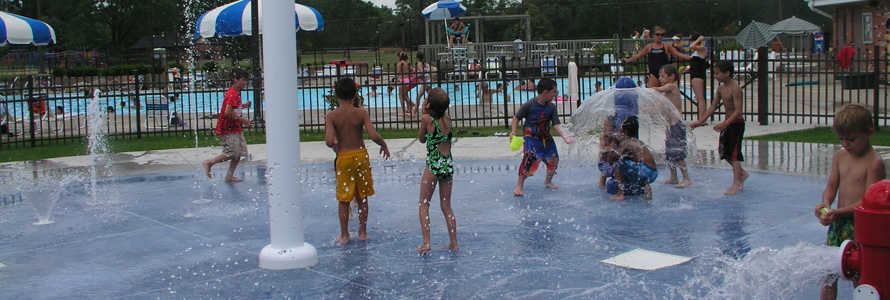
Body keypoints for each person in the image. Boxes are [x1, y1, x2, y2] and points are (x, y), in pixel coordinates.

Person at [815, 103, 885, 300]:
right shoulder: (840, 157)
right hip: (837, 225)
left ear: (869, 133)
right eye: (841, 139)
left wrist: (837, 212)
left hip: (860, 227)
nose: (846, 144)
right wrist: (826, 205)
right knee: (828, 274)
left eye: (851, 139)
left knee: (859, 276)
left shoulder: (874, 162)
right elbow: (830, 188)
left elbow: (868, 203)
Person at [325, 77, 391, 245]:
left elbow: (328, 141)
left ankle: (344, 235)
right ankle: (362, 232)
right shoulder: (361, 113)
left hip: (344, 157)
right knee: (362, 196)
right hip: (361, 156)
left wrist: (335, 146)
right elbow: (373, 135)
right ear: (355, 95)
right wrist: (383, 144)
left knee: (344, 198)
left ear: (335, 95)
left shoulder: (331, 116)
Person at [690, 61, 749, 195]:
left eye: (717, 73)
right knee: (724, 152)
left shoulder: (735, 89)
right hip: (727, 123)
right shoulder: (721, 89)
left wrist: (726, 124)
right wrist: (700, 121)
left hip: (736, 124)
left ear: (727, 73)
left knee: (734, 154)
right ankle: (742, 173)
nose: (715, 75)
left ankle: (737, 183)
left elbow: (738, 110)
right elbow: (713, 107)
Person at [510, 78, 574, 196]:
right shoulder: (530, 105)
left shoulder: (551, 107)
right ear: (545, 92)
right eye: (554, 92)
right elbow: (516, 117)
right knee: (528, 160)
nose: (556, 94)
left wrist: (565, 136)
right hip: (531, 139)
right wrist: (513, 131)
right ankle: (519, 186)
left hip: (546, 139)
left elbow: (556, 124)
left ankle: (548, 181)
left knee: (553, 160)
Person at [416, 88, 458, 253]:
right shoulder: (448, 120)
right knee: (446, 206)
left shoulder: (427, 119)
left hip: (434, 165)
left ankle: (426, 242)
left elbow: (421, 139)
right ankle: (454, 242)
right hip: (447, 165)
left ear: (429, 104)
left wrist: (423, 115)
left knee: (424, 204)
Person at [202, 68, 252, 182]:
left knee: (239, 152)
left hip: (235, 127)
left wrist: (244, 106)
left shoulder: (234, 93)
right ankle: (209, 162)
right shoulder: (233, 93)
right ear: (235, 80)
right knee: (231, 152)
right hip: (228, 127)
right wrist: (243, 120)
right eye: (243, 80)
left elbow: (233, 107)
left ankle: (229, 175)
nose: (245, 82)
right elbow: (228, 112)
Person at [650, 64, 692, 188]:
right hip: (669, 126)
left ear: (672, 77)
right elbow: (657, 106)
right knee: (669, 152)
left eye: (662, 76)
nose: (660, 79)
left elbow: (658, 89)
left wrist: (647, 89)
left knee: (678, 152)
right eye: (659, 76)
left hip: (676, 126)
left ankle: (686, 178)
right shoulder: (666, 93)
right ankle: (673, 177)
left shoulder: (672, 87)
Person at [603, 117, 658, 200]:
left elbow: (612, 158)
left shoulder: (626, 143)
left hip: (645, 172)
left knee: (616, 164)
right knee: (628, 163)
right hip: (653, 173)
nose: (618, 132)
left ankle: (620, 194)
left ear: (625, 132)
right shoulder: (638, 142)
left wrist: (614, 143)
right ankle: (646, 188)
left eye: (620, 130)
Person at [622, 26, 690, 88]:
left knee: (665, 96)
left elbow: (679, 54)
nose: (660, 37)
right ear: (654, 35)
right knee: (651, 95)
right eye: (658, 35)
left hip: (664, 74)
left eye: (661, 35)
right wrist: (628, 60)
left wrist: (691, 57)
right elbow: (638, 55)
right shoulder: (649, 47)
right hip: (653, 74)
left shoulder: (666, 46)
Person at [687, 32, 709, 121]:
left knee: (700, 98)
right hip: (694, 73)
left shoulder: (702, 48)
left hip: (698, 75)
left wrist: (699, 39)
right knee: (698, 96)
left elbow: (691, 46)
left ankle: (702, 118)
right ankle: (701, 117)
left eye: (691, 39)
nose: (690, 41)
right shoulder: (696, 51)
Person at [396, 51, 416, 117]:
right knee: (405, 96)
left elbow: (398, 73)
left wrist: (395, 80)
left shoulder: (400, 64)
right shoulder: (408, 63)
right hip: (407, 80)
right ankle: (411, 107)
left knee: (401, 96)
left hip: (402, 80)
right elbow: (411, 70)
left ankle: (410, 107)